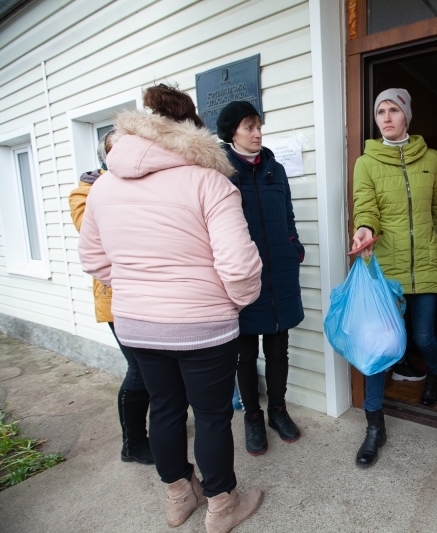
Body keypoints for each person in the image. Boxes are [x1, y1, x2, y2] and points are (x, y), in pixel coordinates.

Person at [78, 84, 264, 533]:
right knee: (213, 415)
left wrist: (136, 292)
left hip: (138, 324)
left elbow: (94, 260)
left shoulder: (103, 188)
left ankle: (178, 498)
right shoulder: (209, 181)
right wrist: (231, 303)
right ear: (190, 130)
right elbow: (239, 265)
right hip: (203, 326)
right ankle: (222, 506)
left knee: (163, 409)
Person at [351, 88, 437, 468]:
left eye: (394, 110)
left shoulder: (433, 159)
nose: (387, 117)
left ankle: (435, 376)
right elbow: (366, 206)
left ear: (407, 115)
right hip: (385, 267)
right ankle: (375, 425)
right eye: (380, 112)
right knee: (379, 346)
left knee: (423, 335)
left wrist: (426, 240)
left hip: (423, 263)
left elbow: (436, 208)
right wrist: (363, 228)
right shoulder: (367, 162)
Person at [215, 100, 305, 456]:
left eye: (258, 126)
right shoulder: (219, 171)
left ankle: (277, 411)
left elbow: (288, 215)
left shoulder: (275, 168)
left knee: (279, 347)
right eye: (249, 127)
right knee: (246, 352)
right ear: (231, 133)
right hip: (244, 275)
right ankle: (252, 416)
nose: (257, 133)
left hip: (280, 270)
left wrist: (293, 246)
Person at [69, 132, 154, 466]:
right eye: (116, 148)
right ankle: (133, 443)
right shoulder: (86, 191)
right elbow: (102, 236)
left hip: (150, 295)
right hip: (118, 300)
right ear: (105, 156)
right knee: (140, 371)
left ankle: (162, 424)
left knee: (158, 370)